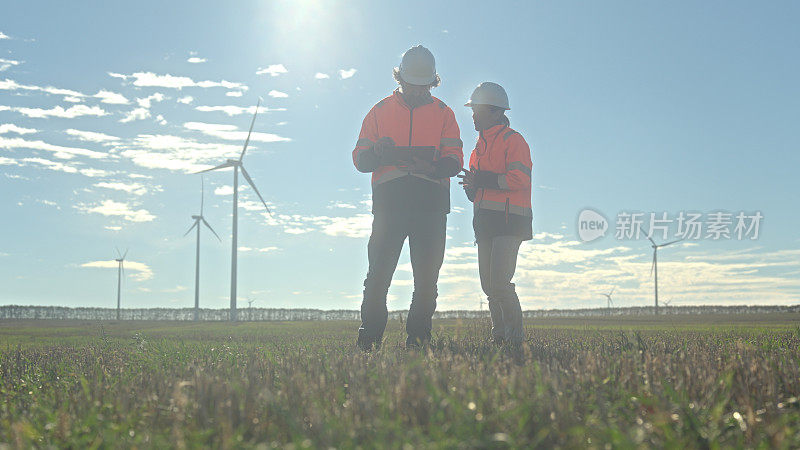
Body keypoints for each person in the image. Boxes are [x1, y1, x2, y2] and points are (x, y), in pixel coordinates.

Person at [351, 45, 463, 350]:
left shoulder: (444, 114)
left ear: (432, 83)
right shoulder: (379, 111)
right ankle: (369, 339)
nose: (416, 92)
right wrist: (376, 152)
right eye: (411, 86)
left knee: (426, 281)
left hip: (431, 205)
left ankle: (418, 340)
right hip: (390, 205)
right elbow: (360, 160)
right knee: (377, 279)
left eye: (423, 86)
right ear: (400, 79)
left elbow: (455, 159)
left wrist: (434, 166)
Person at [458, 82, 532, 345]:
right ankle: (499, 338)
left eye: (477, 110)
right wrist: (472, 189)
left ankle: (515, 339)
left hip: (510, 222)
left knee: (500, 283)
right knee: (489, 287)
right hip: (486, 222)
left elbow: (519, 178)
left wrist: (483, 180)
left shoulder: (514, 141)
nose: (473, 115)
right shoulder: (477, 148)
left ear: (496, 112)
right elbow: (481, 187)